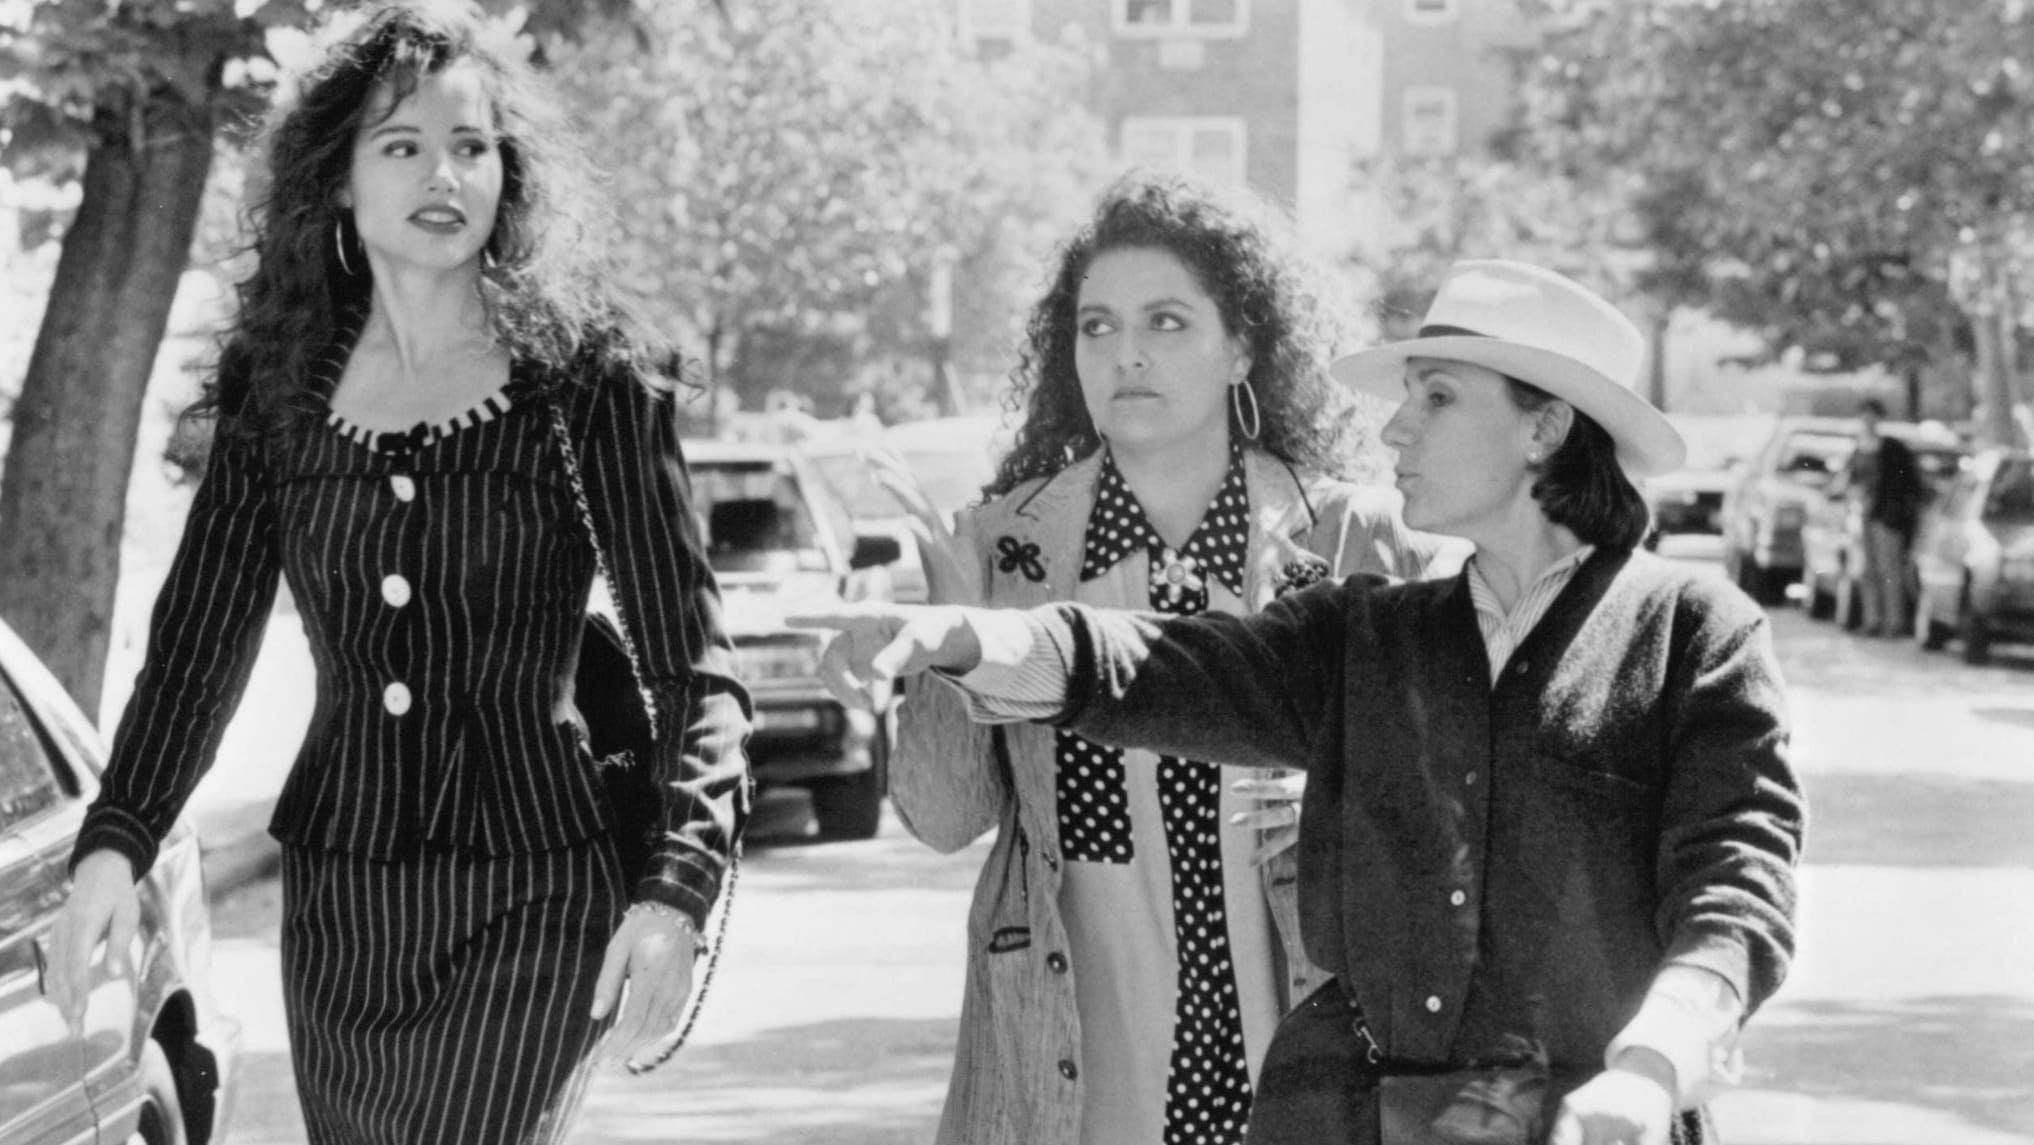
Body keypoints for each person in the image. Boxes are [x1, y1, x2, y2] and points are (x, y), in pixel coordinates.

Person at [795, 260, 1804, 1145]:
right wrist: (964, 635)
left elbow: (1737, 893)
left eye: (1438, 397)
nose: (1396, 426)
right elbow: (1152, 664)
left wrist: (1653, 1064)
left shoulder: (1692, 632)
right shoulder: (1363, 631)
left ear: (1544, 427)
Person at [47, 5, 751, 1142]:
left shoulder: (589, 380)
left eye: (471, 145)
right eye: (403, 144)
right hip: (344, 905)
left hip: (538, 889)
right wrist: (116, 842)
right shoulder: (278, 388)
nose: (444, 174)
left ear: (508, 173)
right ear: (338, 177)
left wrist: (678, 886)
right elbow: (197, 648)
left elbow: (695, 666)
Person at [872, 173, 1454, 1145]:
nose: (1126, 353)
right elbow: (943, 817)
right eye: (1096, 326)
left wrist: (1342, 794)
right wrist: (949, 628)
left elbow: (1460, 811)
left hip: (1310, 1060)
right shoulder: (1005, 547)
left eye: (1167, 322)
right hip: (1068, 1075)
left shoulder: (1360, 540)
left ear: (1244, 347)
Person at [1850, 398, 1922, 636]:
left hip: (1886, 516)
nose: (1868, 419)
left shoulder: (1893, 448)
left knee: (1889, 569)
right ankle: (1872, 619)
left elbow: (1907, 482)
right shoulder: (1858, 447)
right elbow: (1852, 479)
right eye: (1864, 414)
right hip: (1863, 514)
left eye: (1872, 414)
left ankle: (1894, 621)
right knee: (1867, 569)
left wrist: (1896, 509)